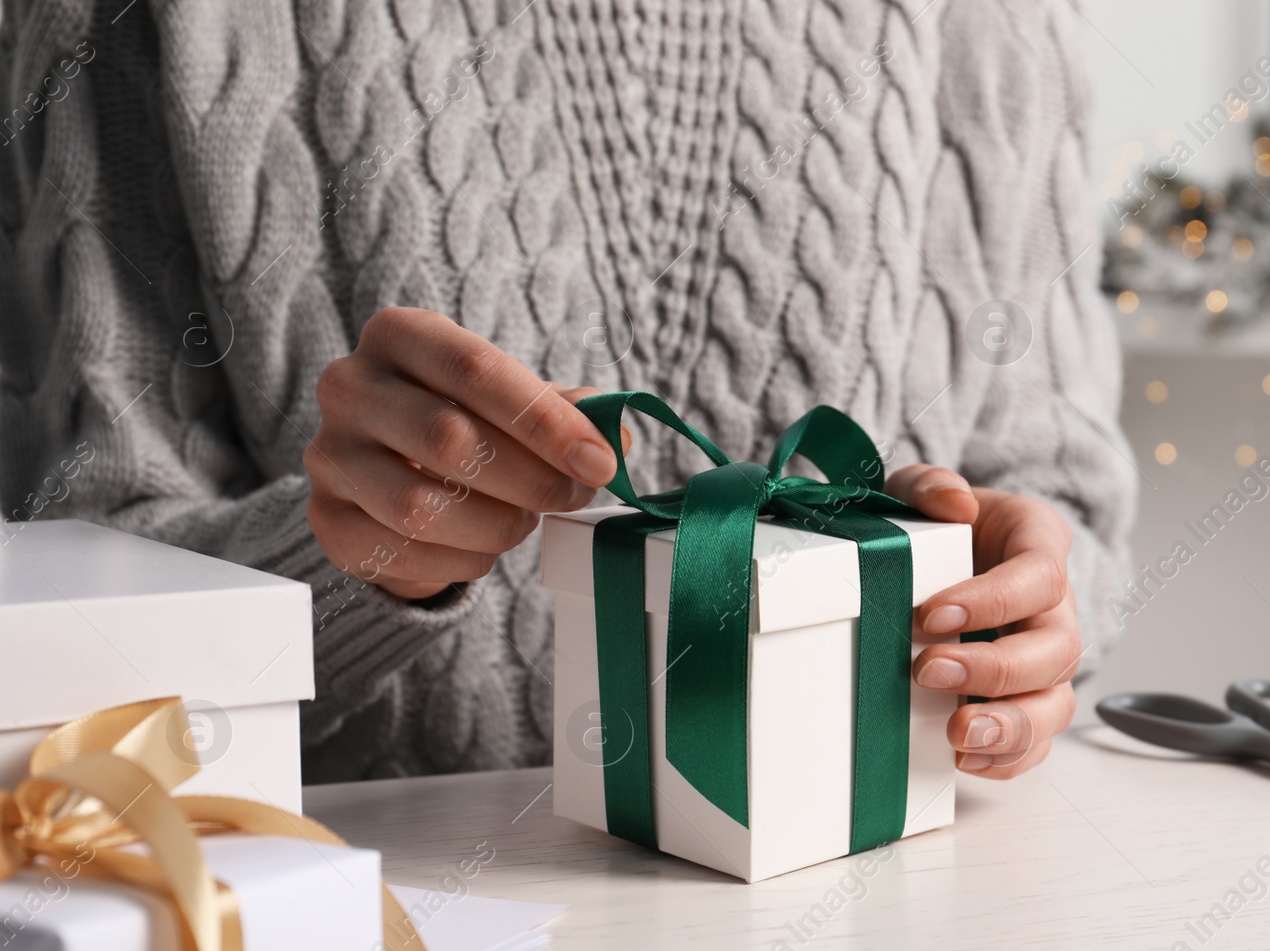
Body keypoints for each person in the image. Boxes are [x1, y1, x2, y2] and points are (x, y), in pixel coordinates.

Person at [0, 0, 1134, 784]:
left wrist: (1025, 613)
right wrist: (340, 563)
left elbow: (1058, 496)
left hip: (900, 917)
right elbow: (67, 648)